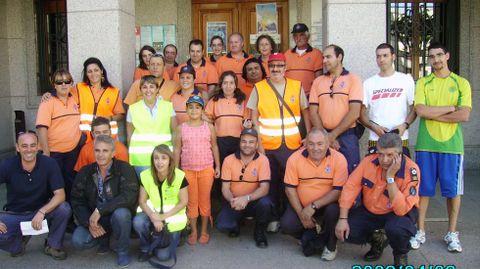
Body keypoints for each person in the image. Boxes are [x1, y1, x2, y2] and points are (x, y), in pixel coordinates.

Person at [411, 42, 472, 253]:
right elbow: (421, 111)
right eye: (431, 56)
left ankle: (452, 233)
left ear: (447, 55)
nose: (436, 60)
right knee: (423, 190)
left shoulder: (461, 82)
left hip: (452, 147)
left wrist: (435, 112)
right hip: (426, 144)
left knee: (453, 192)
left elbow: (464, 115)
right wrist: (450, 109)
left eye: (439, 55)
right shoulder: (423, 83)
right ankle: (420, 230)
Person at [247, 52, 311, 232]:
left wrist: (309, 135)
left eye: (279, 66)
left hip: (292, 145)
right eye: (272, 65)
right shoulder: (259, 87)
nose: (275, 69)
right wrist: (259, 146)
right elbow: (254, 118)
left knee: (291, 183)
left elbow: (306, 112)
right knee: (272, 182)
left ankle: (289, 216)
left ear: (285, 68)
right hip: (268, 146)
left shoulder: (296, 86)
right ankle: (273, 218)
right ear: (268, 67)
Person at [335, 133, 420, 266]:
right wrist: (343, 219)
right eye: (380, 154)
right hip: (372, 210)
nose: (384, 160)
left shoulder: (411, 170)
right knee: (347, 231)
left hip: (397, 214)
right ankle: (378, 240)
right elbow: (350, 188)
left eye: (389, 155)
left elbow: (401, 210)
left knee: (397, 229)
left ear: (400, 153)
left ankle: (400, 254)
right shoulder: (368, 161)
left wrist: (390, 178)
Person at [0, 131, 71, 260]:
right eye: (24, 146)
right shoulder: (7, 165)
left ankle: (53, 245)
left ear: (38, 146)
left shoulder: (49, 163)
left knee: (64, 208)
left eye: (33, 145)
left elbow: (60, 195)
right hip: (16, 213)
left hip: (41, 212)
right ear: (17, 147)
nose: (29, 150)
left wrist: (42, 211)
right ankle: (18, 243)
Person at [71, 135, 139, 268]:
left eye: (105, 151)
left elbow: (129, 196)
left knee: (122, 214)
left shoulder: (125, 168)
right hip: (95, 219)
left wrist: (101, 210)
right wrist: (88, 222)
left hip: (115, 217)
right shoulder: (85, 172)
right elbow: (76, 200)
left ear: (113, 153)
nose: (100, 155)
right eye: (97, 150)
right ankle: (104, 239)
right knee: (78, 241)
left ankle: (122, 250)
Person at [281, 128, 348, 261]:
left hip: (327, 205)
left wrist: (313, 206)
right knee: (287, 224)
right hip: (302, 205)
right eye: (311, 144)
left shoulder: (339, 159)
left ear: (328, 143)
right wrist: (302, 214)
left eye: (320, 144)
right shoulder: (294, 158)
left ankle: (330, 245)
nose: (315, 148)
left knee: (333, 211)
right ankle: (310, 235)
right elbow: (290, 190)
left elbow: (338, 191)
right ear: (305, 144)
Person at [174, 95, 221, 245]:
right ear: (186, 109)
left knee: (205, 200)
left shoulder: (209, 127)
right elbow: (177, 149)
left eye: (197, 107)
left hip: (206, 168)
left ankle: (204, 230)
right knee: (191, 201)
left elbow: (214, 146)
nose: (194, 110)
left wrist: (218, 166)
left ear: (202, 110)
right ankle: (193, 230)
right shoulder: (181, 128)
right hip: (188, 170)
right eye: (191, 107)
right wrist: (175, 169)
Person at [309, 44, 363, 174]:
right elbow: (313, 112)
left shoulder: (353, 79)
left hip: (347, 136)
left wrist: (333, 135)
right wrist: (325, 136)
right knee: (325, 176)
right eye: (323, 57)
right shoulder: (318, 81)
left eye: (328, 57)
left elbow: (355, 112)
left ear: (339, 57)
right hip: (323, 135)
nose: (324, 61)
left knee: (351, 176)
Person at [216, 128, 273, 248]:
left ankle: (259, 231)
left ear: (257, 144)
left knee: (266, 204)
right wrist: (232, 200)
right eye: (244, 141)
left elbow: (264, 188)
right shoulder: (228, 160)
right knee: (223, 225)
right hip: (234, 201)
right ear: (239, 142)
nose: (247, 145)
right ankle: (236, 222)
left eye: (251, 142)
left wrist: (246, 198)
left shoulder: (263, 160)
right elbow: (225, 188)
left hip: (253, 201)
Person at [133, 144, 188, 267]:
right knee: (138, 222)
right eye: (156, 158)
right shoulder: (146, 175)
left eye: (164, 158)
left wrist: (162, 218)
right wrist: (154, 217)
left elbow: (184, 202)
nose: (160, 162)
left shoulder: (179, 176)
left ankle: (179, 235)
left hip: (172, 218)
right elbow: (142, 201)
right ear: (152, 160)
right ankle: (145, 248)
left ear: (170, 160)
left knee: (163, 257)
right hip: (153, 214)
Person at [360, 43, 416, 157]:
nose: (381, 59)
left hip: (400, 138)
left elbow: (414, 109)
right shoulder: (368, 83)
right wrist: (373, 127)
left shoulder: (406, 80)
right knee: (374, 174)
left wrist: (404, 125)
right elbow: (361, 114)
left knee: (400, 174)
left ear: (393, 57)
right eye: (378, 56)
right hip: (376, 139)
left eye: (385, 55)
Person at [36, 69, 84, 200]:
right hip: (53, 153)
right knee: (54, 186)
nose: (64, 85)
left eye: (67, 81)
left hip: (72, 152)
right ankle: (54, 215)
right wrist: (46, 152)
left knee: (70, 184)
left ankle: (69, 214)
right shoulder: (47, 102)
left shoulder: (75, 98)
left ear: (71, 83)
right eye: (59, 82)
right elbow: (41, 128)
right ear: (54, 85)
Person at [127, 75, 176, 176]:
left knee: (163, 189)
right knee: (145, 190)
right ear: (140, 90)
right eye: (144, 87)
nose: (148, 90)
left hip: (164, 157)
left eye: (151, 86)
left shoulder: (168, 106)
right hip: (141, 159)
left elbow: (174, 132)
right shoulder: (132, 109)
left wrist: (174, 155)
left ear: (157, 89)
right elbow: (129, 136)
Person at [205, 71, 251, 165]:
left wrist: (247, 124)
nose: (228, 86)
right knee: (222, 168)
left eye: (231, 83)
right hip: (220, 142)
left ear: (235, 85)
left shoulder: (242, 100)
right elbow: (205, 117)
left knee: (237, 167)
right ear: (221, 85)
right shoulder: (214, 100)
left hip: (239, 140)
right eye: (225, 83)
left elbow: (247, 119)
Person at [74, 57, 125, 142]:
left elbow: (121, 115)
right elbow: (63, 94)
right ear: (86, 74)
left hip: (107, 137)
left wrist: (109, 118)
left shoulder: (113, 91)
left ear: (101, 71)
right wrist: (50, 94)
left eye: (96, 70)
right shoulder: (79, 88)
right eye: (89, 71)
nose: (93, 74)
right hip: (83, 138)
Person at [284, 23, 323, 96]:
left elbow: (319, 79)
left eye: (301, 35)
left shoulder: (316, 53)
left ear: (307, 36)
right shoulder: (287, 54)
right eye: (295, 36)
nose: (298, 38)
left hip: (308, 96)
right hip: (289, 96)